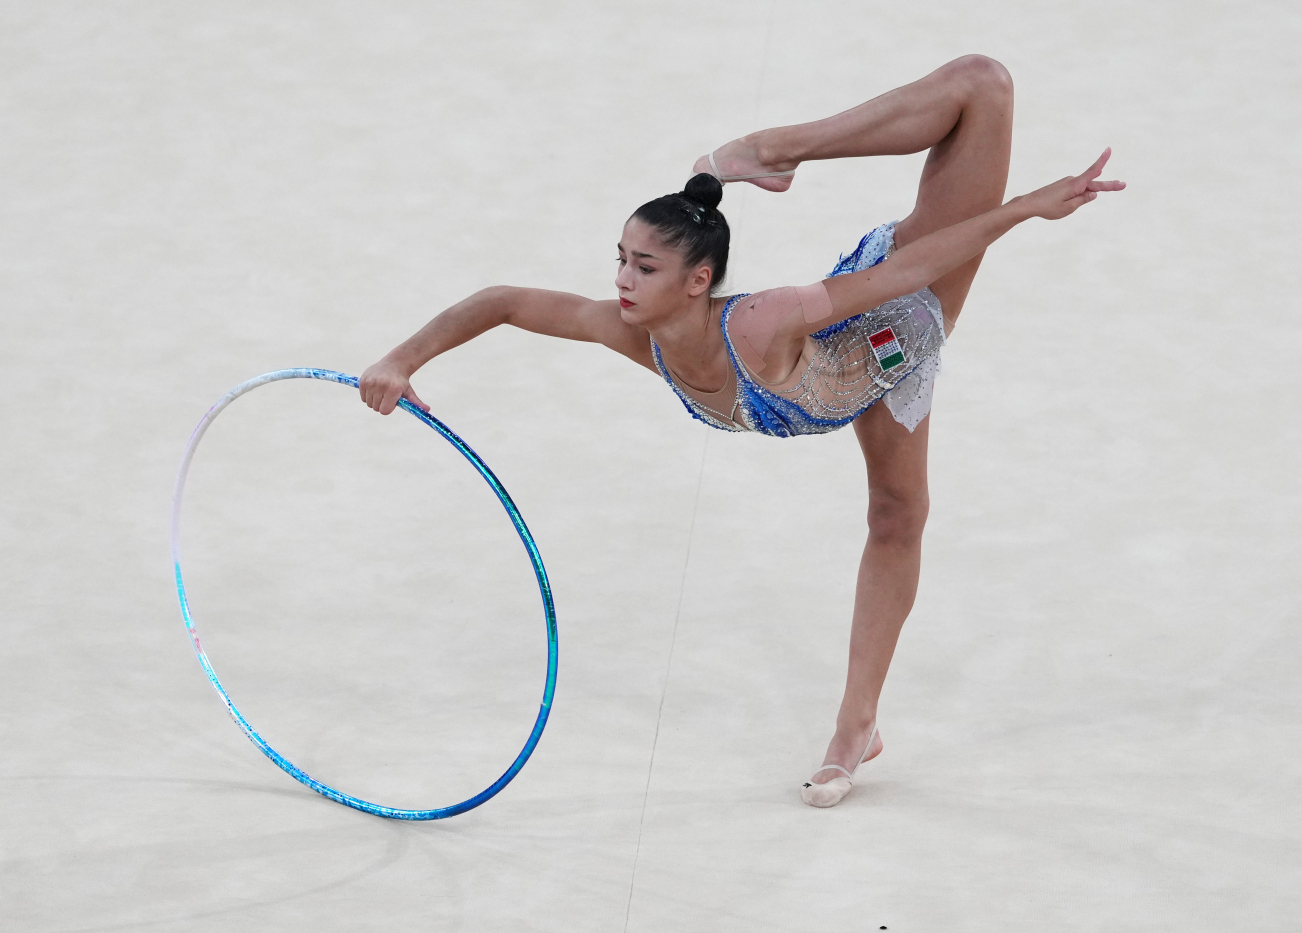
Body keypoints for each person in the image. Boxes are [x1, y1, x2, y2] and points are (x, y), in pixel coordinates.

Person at [358, 54, 1125, 808]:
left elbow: (902, 274)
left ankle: (853, 726)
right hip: (846, 369)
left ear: (698, 280)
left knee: (982, 85)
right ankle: (863, 726)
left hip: (901, 320)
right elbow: (503, 301)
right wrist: (402, 358)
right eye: (621, 260)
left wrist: (1025, 209)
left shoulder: (759, 324)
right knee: (897, 515)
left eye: (645, 267)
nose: (622, 280)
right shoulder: (634, 333)